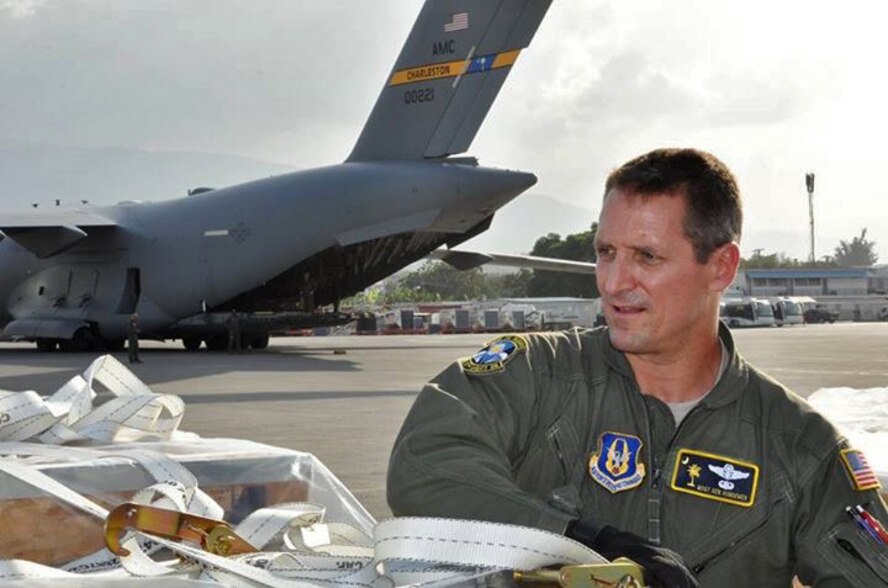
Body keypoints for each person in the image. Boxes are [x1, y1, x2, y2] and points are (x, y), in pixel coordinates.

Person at [387, 149, 888, 587]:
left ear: (722, 267)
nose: (613, 282)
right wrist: (582, 542)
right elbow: (423, 468)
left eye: (647, 257)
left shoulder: (800, 447)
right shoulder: (534, 375)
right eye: (606, 253)